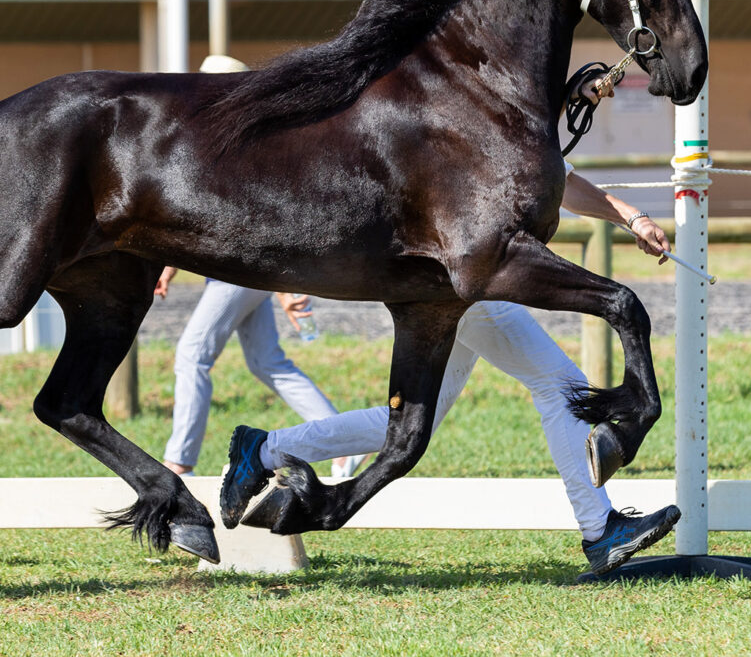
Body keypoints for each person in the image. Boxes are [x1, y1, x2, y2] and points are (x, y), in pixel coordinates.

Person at [220, 168, 682, 576]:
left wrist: (632, 217)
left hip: (458, 278)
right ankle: (600, 529)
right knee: (560, 385)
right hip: (468, 281)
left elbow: (561, 176)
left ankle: (261, 449)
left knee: (407, 425)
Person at [160, 54, 351, 478]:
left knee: (192, 354)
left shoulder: (234, 145)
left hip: (241, 267)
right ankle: (342, 446)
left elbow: (261, 218)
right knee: (268, 362)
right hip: (243, 269)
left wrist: (282, 281)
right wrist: (172, 262)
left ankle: (179, 462)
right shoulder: (229, 139)